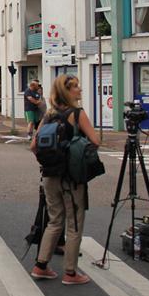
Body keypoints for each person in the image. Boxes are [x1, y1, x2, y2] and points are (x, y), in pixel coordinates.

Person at [28, 74, 100, 285]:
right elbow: (95, 140)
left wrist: (51, 159)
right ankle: (70, 272)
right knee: (74, 223)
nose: (79, 90)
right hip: (71, 178)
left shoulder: (49, 115)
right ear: (67, 92)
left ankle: (41, 266)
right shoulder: (77, 114)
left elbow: (34, 146)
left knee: (54, 220)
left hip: (50, 175)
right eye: (75, 87)